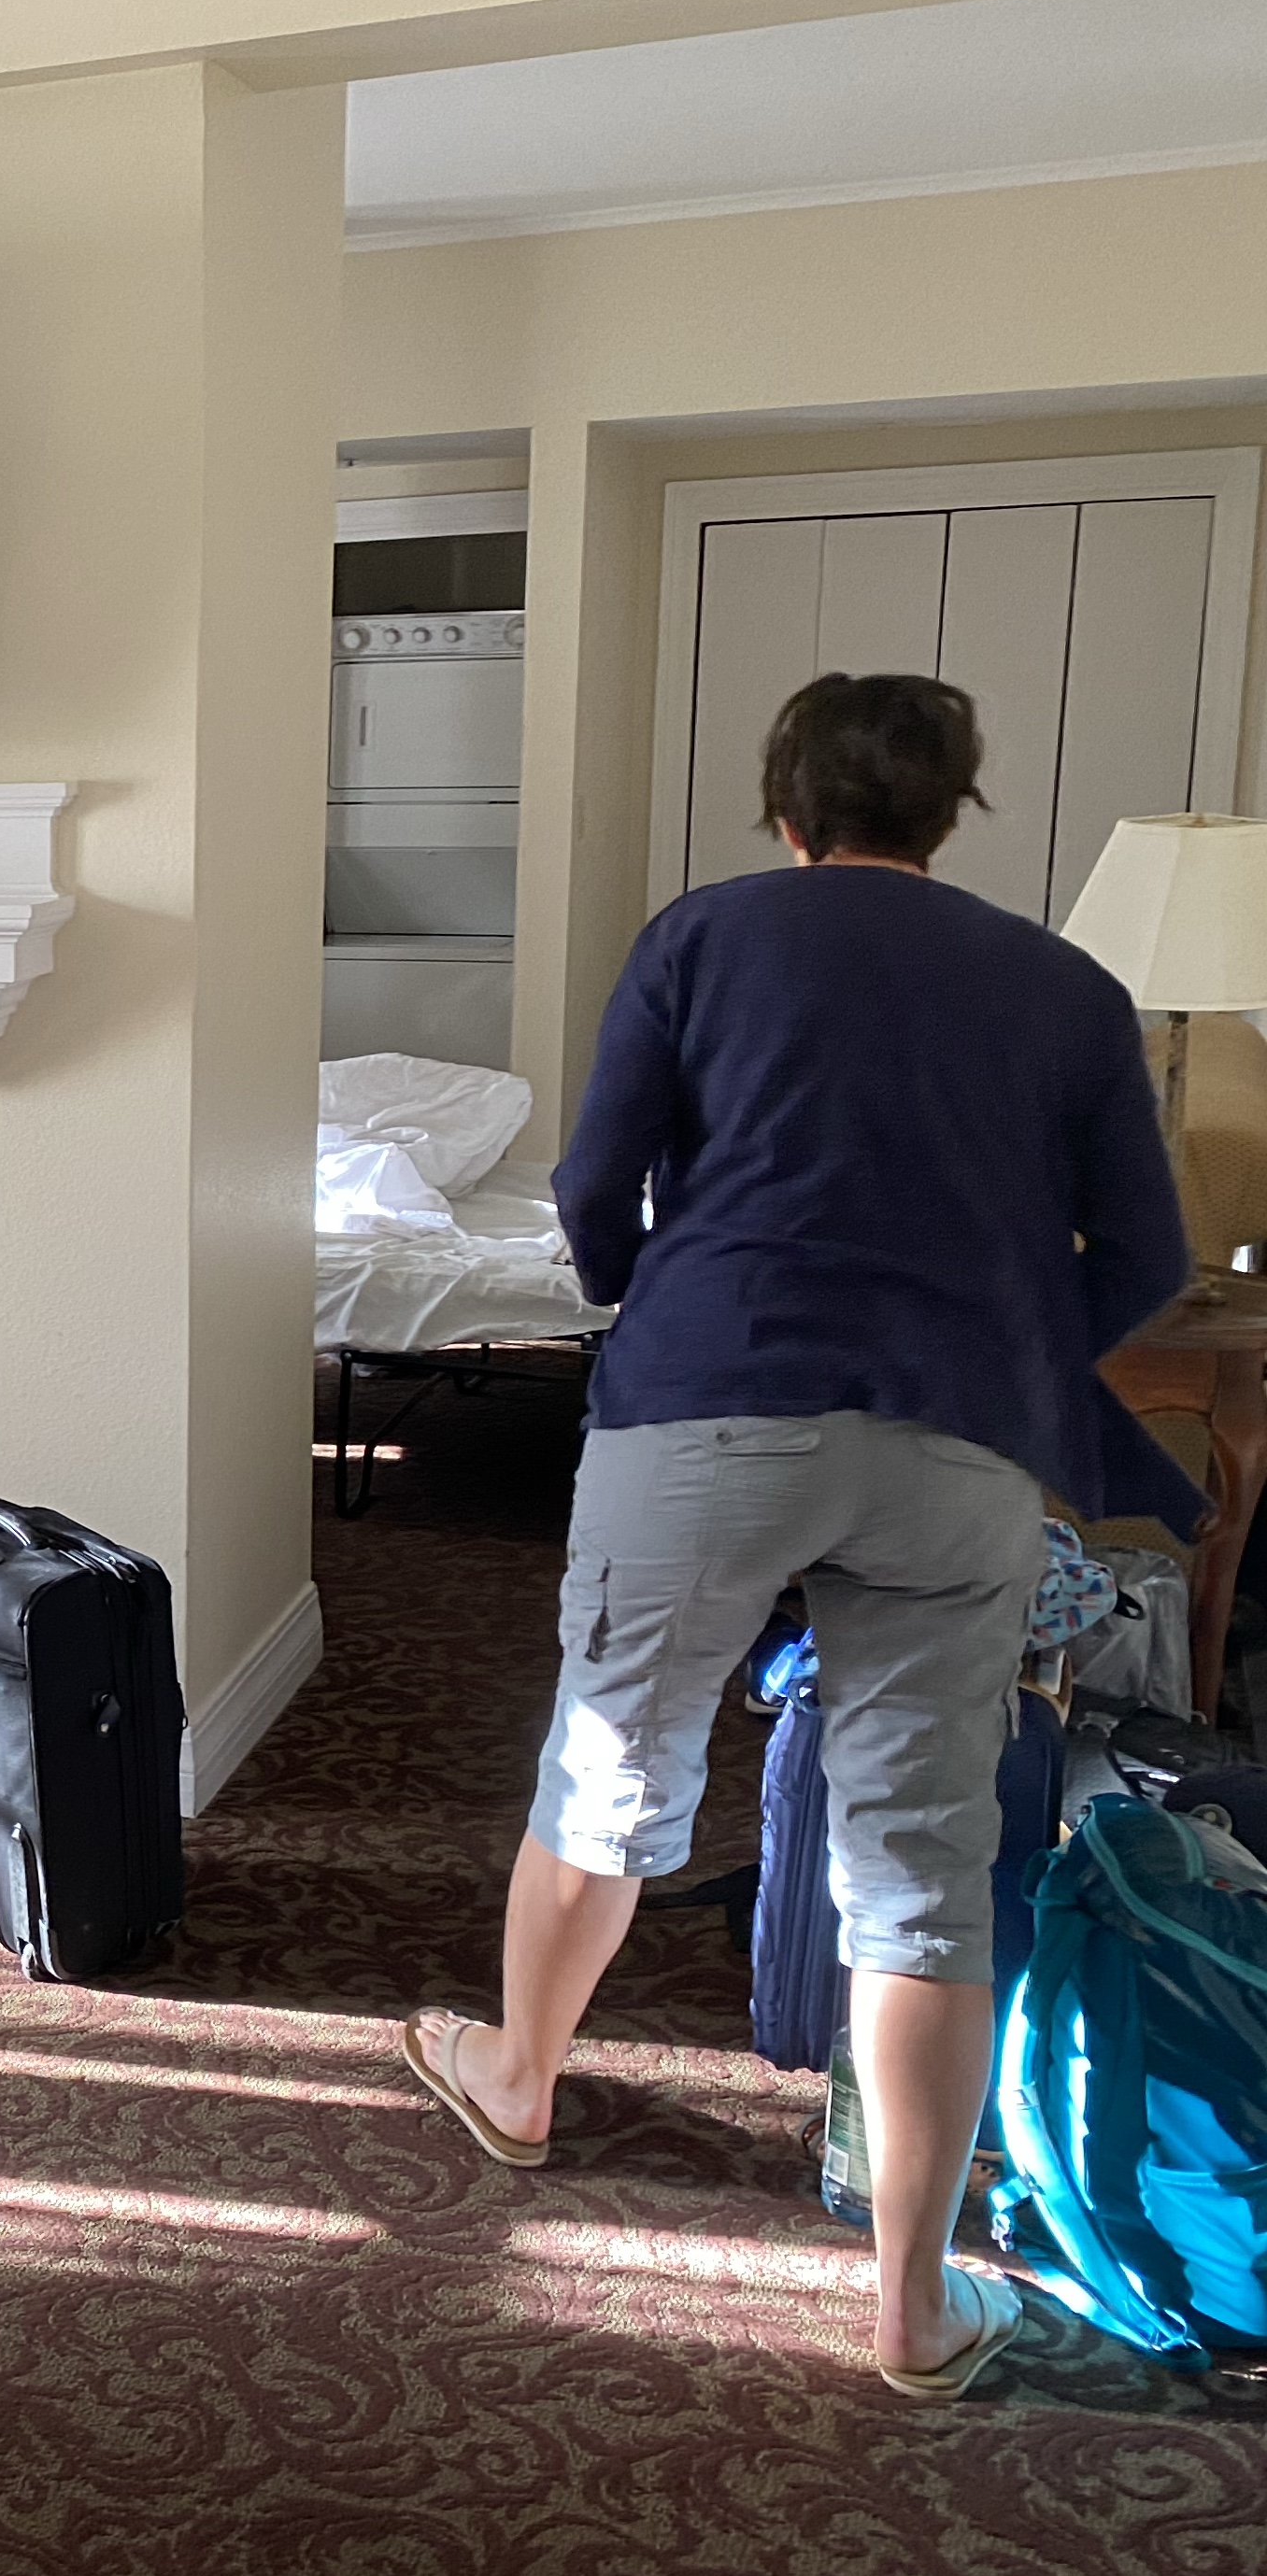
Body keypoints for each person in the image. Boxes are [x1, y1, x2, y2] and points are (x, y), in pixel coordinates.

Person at [397, 670, 1198, 2399]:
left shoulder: (702, 937)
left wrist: (663, 1296)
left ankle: (520, 2079)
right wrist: (1007, 1341)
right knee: (920, 1866)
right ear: (952, 810)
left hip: (711, 1405)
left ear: (788, 807)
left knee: (610, 1766)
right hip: (957, 1441)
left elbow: (592, 1187)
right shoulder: (1066, 989)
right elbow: (1147, 1257)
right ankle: (912, 2306)